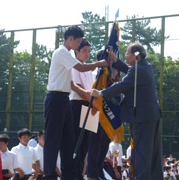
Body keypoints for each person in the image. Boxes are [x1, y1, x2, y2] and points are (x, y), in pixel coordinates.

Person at [91, 42, 163, 180]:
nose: (126, 55)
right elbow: (131, 72)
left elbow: (123, 84)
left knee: (141, 152)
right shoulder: (145, 66)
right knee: (153, 153)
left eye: (128, 53)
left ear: (137, 56)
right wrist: (117, 62)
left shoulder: (138, 70)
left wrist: (101, 93)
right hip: (151, 115)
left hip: (142, 117)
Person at [43, 25, 107, 180]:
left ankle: (69, 174)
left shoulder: (68, 55)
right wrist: (100, 63)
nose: (79, 45)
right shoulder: (62, 52)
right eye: (78, 42)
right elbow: (81, 68)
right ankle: (50, 174)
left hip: (64, 99)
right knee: (53, 139)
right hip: (56, 98)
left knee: (69, 141)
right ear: (70, 39)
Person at [69, 39, 98, 180]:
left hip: (91, 106)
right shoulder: (75, 67)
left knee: (86, 143)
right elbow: (78, 88)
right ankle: (74, 174)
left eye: (89, 50)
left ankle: (80, 173)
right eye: (84, 50)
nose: (87, 53)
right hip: (79, 105)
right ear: (76, 51)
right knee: (77, 142)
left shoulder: (89, 70)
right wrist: (92, 103)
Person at [86, 50, 111, 180]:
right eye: (108, 59)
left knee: (104, 144)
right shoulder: (93, 74)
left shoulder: (111, 76)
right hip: (93, 111)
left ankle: (98, 170)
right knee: (94, 144)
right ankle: (91, 173)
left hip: (107, 114)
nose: (110, 62)